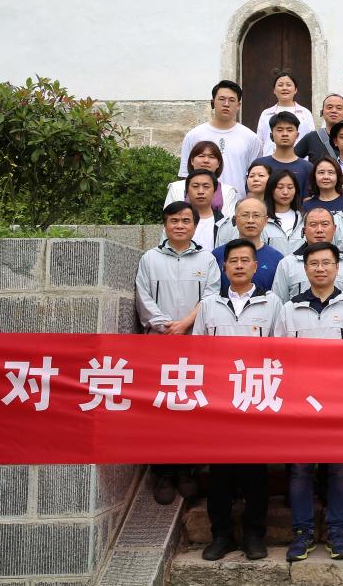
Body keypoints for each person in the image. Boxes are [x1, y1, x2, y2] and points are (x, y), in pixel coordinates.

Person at [273, 241, 343, 562]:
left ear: (337, 268)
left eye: (327, 263)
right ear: (305, 269)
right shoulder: (289, 309)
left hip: (339, 403)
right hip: (301, 404)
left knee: (339, 469)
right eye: (314, 264)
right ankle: (303, 532)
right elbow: (280, 356)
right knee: (300, 469)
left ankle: (337, 532)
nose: (320, 269)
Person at [194, 238, 282, 561]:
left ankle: (254, 535)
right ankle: (221, 535)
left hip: (257, 396)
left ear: (256, 266)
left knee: (255, 470)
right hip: (220, 401)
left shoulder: (272, 303)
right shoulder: (209, 305)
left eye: (246, 260)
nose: (240, 265)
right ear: (225, 267)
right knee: (220, 471)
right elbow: (198, 351)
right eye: (234, 261)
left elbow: (280, 350)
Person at [137, 201, 220, 504]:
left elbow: (211, 297)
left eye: (186, 221)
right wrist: (165, 325)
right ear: (165, 224)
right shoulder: (150, 258)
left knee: (190, 407)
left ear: (195, 226)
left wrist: (185, 324)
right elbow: (143, 297)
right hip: (159, 344)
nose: (180, 225)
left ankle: (187, 469)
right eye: (174, 220)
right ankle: (163, 472)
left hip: (194, 343)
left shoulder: (207, 259)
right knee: (160, 409)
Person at [178, 80, 262, 194]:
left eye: (231, 100)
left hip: (237, 201)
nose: (226, 104)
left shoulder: (251, 138)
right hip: (200, 200)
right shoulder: (194, 135)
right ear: (213, 102)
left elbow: (255, 175)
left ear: (238, 105)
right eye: (222, 99)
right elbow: (185, 175)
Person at [271, 206, 343, 304]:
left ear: (334, 229)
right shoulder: (287, 264)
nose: (319, 230)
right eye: (313, 225)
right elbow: (279, 304)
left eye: (325, 224)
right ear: (304, 230)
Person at [212, 198, 284, 291]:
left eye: (256, 215)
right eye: (245, 215)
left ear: (266, 221)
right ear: (235, 219)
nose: (250, 221)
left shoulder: (277, 259)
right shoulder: (217, 255)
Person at [164, 139, 239, 215]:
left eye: (211, 157)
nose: (206, 160)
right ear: (192, 161)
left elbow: (230, 220)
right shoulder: (176, 188)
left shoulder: (228, 191)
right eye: (201, 156)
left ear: (218, 163)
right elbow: (169, 217)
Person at [256, 70, 315, 156]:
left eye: (288, 85)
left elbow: (311, 141)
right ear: (274, 90)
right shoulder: (266, 114)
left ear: (295, 90)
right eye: (280, 85)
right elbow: (260, 142)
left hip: (299, 161)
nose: (284, 88)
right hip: (269, 161)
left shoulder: (305, 113)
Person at [253, 111, 314, 188]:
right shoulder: (260, 165)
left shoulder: (307, 167)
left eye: (290, 130)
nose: (285, 134)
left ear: (297, 135)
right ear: (271, 135)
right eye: (280, 130)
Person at [262, 169, 305, 256]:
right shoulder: (262, 220)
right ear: (271, 189)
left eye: (290, 187)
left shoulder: (304, 220)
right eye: (280, 187)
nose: (285, 192)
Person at [295, 94, 343, 163]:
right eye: (329, 107)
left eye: (339, 108)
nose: (334, 111)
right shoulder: (311, 137)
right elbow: (290, 160)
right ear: (322, 112)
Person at [183, 170, 224, 251]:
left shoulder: (224, 223)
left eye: (206, 186)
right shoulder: (175, 222)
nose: (200, 191)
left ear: (214, 191)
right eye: (195, 186)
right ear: (186, 192)